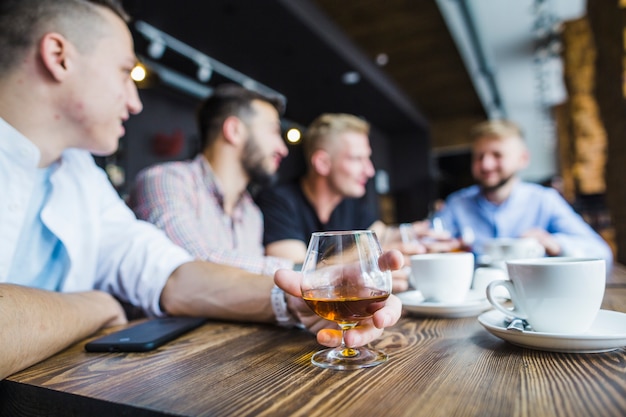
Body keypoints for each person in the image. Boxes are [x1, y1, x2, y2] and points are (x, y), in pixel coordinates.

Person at [0, 0, 402, 380]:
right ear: (59, 56)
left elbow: (173, 277)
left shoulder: (79, 175)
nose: (136, 101)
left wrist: (298, 301)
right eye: (126, 71)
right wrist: (95, 306)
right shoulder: (163, 180)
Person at [128, 84, 293, 276]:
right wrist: (298, 272)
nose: (283, 149)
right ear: (234, 131)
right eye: (274, 131)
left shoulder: (252, 213)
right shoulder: (165, 180)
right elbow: (191, 265)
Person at [256, 113, 417, 291]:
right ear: (322, 163)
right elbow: (294, 274)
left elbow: (382, 235)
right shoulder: (277, 200)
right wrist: (365, 255)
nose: (370, 171)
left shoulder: (349, 203)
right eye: (357, 159)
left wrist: (416, 233)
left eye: (368, 158)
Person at [434, 119, 613, 268]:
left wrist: (554, 243)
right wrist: (440, 248)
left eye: (497, 155)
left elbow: (602, 254)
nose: (486, 164)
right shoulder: (457, 204)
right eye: (479, 156)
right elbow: (429, 244)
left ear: (523, 159)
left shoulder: (544, 201)